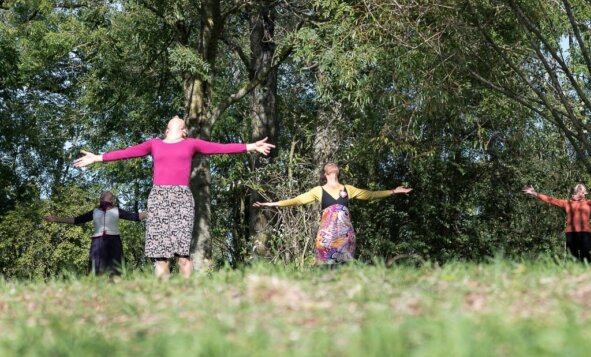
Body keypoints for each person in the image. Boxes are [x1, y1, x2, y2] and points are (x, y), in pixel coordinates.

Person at [73, 116, 275, 278]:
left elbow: (219, 147)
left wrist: (250, 146)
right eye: (173, 121)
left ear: (184, 131)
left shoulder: (191, 144)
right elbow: (128, 153)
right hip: (159, 197)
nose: (178, 117)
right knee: (161, 257)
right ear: (167, 131)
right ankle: (164, 298)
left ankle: (186, 297)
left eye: (182, 122)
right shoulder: (154, 144)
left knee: (183, 255)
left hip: (182, 198)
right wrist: (97, 157)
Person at [253, 162, 412, 265]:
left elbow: (370, 194)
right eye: (328, 165)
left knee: (344, 268)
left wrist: (393, 191)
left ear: (337, 171)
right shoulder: (319, 190)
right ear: (325, 173)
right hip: (326, 236)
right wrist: (271, 203)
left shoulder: (348, 189)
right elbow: (297, 200)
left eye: (334, 164)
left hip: (345, 236)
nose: (332, 164)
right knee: (324, 268)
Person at [45, 191, 147, 275]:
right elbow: (76, 220)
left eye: (108, 197)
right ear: (100, 199)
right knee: (96, 271)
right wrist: (55, 219)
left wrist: (155, 210)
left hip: (114, 242)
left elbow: (136, 217)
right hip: (98, 242)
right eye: (103, 197)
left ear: (112, 200)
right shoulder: (95, 212)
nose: (105, 199)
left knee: (115, 271)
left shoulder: (117, 211)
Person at [522, 183, 591, 263]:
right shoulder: (567, 203)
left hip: (585, 233)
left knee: (587, 259)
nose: (579, 189)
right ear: (575, 191)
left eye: (581, 188)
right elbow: (550, 200)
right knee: (572, 259)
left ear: (585, 192)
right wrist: (535, 193)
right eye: (578, 188)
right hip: (571, 234)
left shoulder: (590, 202)